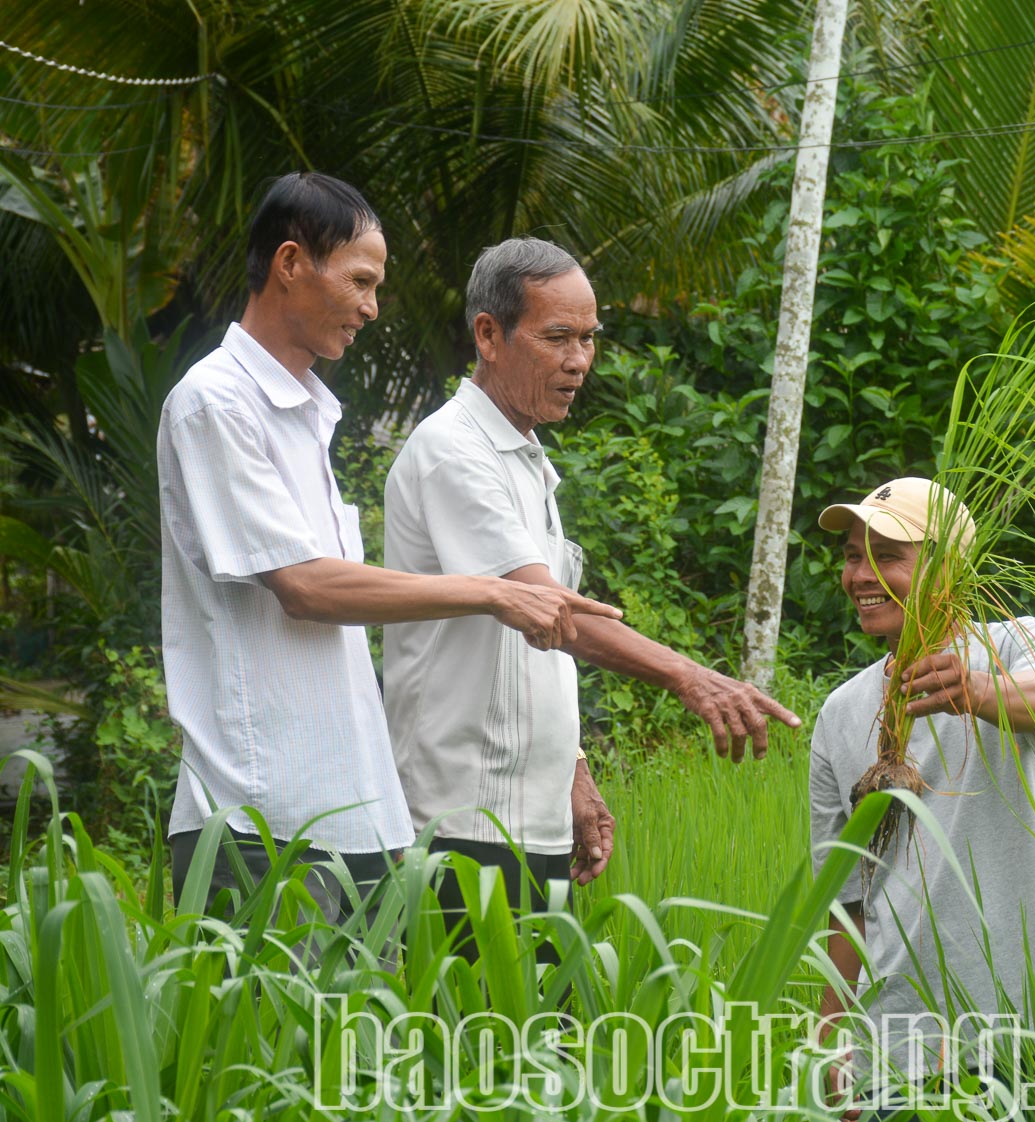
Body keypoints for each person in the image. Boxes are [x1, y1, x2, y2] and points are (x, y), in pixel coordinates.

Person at [158, 174, 614, 919]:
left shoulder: (309, 416)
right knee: (271, 1038)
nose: (372, 306)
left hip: (351, 813)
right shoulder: (216, 401)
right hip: (259, 816)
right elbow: (305, 586)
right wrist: (493, 591)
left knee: (364, 1038)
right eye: (361, 280)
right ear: (290, 263)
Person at [382, 237, 801, 929]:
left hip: (529, 818)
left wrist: (571, 770)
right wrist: (690, 677)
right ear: (489, 334)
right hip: (462, 822)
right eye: (557, 337)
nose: (578, 360)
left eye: (587, 338)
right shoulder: (453, 451)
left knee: (539, 1036)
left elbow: (540, 645)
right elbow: (552, 612)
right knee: (478, 1036)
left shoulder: (526, 458)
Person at [808, 476, 1035, 1116]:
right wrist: (831, 1048)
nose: (860, 574)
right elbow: (845, 902)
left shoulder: (1018, 644)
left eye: (887, 555)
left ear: (948, 568)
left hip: (1025, 1031)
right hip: (895, 1046)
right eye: (852, 555)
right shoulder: (841, 713)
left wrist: (977, 692)